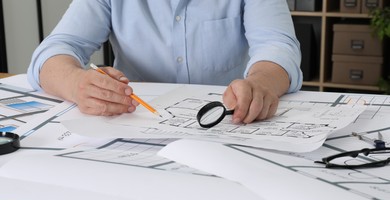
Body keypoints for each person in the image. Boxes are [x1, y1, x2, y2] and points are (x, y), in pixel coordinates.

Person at [28, 0, 302, 124]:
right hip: (136, 126)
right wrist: (76, 83)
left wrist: (261, 83)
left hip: (229, 123)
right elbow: (55, 51)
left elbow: (277, 46)